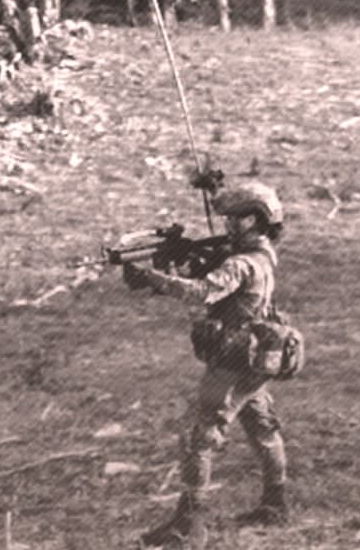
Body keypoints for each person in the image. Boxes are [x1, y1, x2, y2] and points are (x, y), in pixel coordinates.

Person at [124, 181, 295, 547]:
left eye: (239, 218)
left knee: (197, 437)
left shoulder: (241, 263)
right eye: (228, 218)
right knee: (261, 426)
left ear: (258, 219)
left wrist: (152, 277)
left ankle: (189, 525)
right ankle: (275, 503)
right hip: (257, 356)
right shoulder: (263, 253)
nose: (230, 225)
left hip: (235, 358)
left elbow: (204, 291)